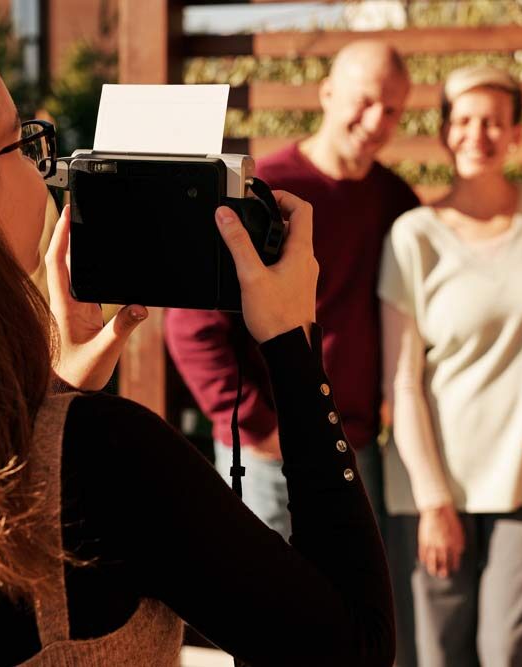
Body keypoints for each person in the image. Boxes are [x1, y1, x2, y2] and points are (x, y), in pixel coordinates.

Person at [0, 13, 394, 666]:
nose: (45, 174)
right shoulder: (104, 461)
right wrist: (292, 346)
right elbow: (356, 645)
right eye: (19, 145)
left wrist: (51, 399)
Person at [378, 65, 522, 667]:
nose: (480, 134)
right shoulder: (412, 236)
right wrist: (432, 501)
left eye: (495, 122)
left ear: (517, 133)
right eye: (465, 120)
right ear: (445, 131)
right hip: (430, 488)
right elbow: (403, 382)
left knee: (512, 653)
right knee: (435, 655)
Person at [165, 40, 417, 539]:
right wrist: (260, 428)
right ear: (326, 93)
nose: (375, 122)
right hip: (268, 453)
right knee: (262, 608)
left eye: (391, 110)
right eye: (364, 101)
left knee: (350, 610)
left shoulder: (395, 200)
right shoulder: (265, 189)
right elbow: (192, 325)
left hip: (355, 448)